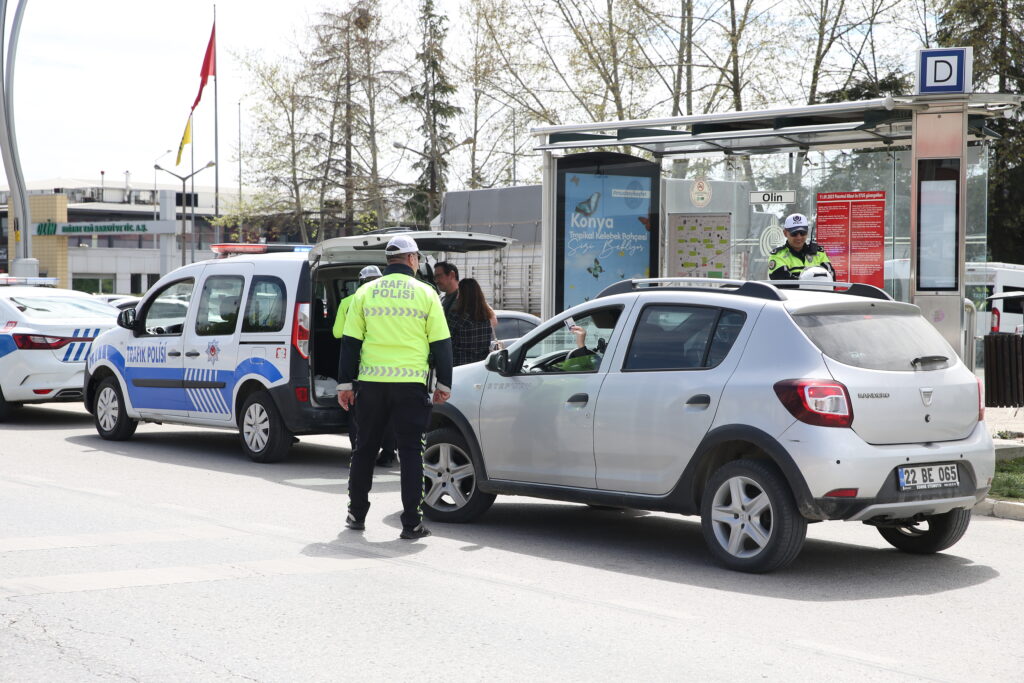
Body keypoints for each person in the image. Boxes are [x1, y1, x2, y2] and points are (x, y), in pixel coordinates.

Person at [337, 235, 453, 540]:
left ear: (389, 260)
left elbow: (350, 344)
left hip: (372, 385)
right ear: (413, 259)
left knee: (364, 449)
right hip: (411, 386)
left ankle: (356, 514)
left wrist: (345, 384)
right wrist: (444, 383)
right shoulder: (426, 293)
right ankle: (411, 523)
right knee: (411, 452)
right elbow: (441, 343)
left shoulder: (366, 292)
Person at [332, 265, 397, 468]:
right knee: (387, 413)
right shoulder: (391, 302)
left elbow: (337, 333)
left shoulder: (348, 302)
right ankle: (388, 453)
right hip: (388, 366)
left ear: (360, 283)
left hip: (360, 367)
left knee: (358, 414)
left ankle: (358, 452)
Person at [446, 278, 498, 366]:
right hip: (481, 365)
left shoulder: (456, 316)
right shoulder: (486, 316)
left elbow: (447, 341)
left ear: (462, 294)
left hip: (460, 366)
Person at [768, 213, 835, 280]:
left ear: (807, 232)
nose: (799, 237)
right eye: (794, 233)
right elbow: (782, 281)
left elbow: (831, 278)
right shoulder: (778, 255)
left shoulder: (819, 253)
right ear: (785, 233)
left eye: (803, 233)